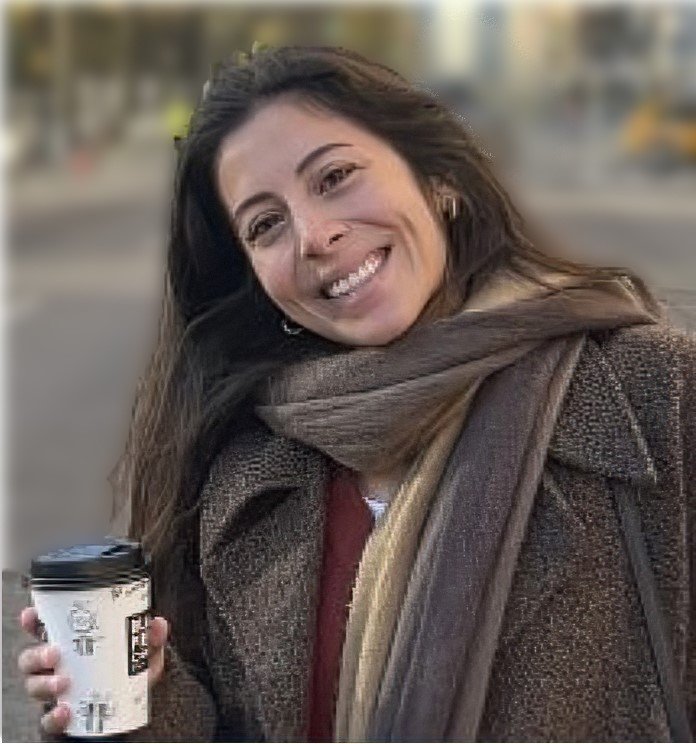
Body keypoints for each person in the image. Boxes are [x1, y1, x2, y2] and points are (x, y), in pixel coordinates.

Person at [17, 46, 695, 742]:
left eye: (335, 177)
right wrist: (144, 700)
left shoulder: (653, 390)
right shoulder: (247, 473)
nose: (315, 236)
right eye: (266, 225)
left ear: (438, 180)